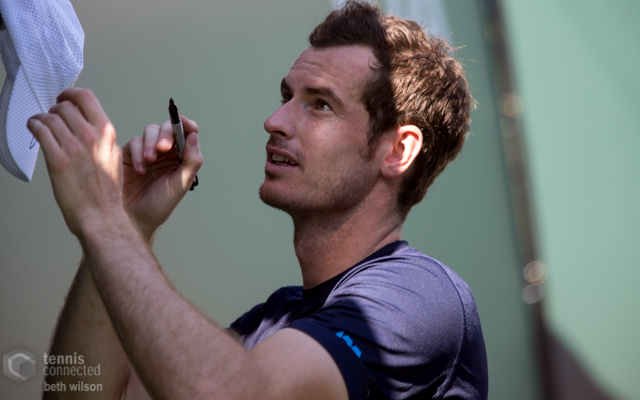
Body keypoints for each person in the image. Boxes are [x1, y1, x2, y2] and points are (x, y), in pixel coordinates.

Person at [29, 1, 488, 399]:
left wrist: (104, 221)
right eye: (287, 96)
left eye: (321, 104)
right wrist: (129, 220)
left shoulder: (420, 297)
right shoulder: (275, 320)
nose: (275, 120)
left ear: (398, 150)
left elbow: (230, 393)